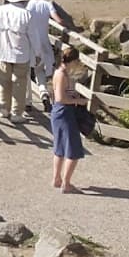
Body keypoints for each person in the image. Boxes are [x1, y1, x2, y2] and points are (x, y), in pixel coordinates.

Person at [0, 0, 45, 122]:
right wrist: (38, 53)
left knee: (4, 81)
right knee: (19, 83)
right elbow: (33, 36)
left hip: (3, 51)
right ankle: (16, 113)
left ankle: (4, 109)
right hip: (21, 54)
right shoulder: (27, 14)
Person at [50, 45, 88, 193]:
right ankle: (66, 183)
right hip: (64, 113)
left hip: (60, 113)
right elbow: (60, 98)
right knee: (73, 149)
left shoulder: (63, 73)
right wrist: (78, 102)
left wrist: (75, 97)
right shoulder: (61, 75)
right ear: (73, 60)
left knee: (59, 147)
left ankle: (56, 179)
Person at [23, 0, 59, 107]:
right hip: (44, 44)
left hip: (29, 44)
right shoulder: (47, 4)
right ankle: (44, 92)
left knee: (27, 71)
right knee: (41, 71)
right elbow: (57, 19)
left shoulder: (26, 5)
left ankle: (28, 101)